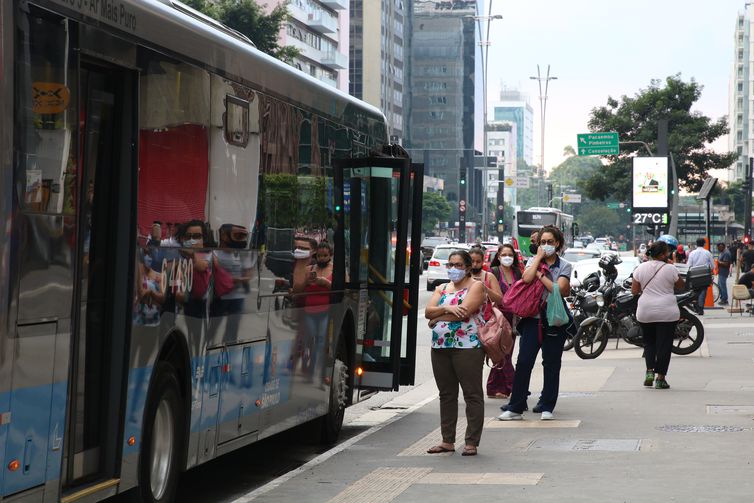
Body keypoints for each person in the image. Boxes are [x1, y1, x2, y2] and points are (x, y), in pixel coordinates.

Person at [498, 225, 571, 421]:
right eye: (543, 242)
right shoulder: (533, 261)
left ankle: (547, 405)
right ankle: (516, 406)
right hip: (532, 320)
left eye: (550, 242)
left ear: (558, 244)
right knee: (523, 362)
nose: (546, 245)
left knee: (552, 363)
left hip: (554, 320)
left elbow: (560, 289)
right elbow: (526, 278)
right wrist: (538, 260)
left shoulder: (564, 266)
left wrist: (541, 275)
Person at [425, 250, 486, 456]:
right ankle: (447, 440)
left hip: (467, 347)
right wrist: (450, 309)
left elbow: (466, 312)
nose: (453, 269)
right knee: (446, 394)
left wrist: (438, 317)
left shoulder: (476, 286)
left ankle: (471, 442)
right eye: (450, 264)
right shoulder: (442, 287)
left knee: (472, 394)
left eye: (459, 265)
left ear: (468, 267)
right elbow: (428, 311)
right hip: (440, 346)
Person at [631, 241, 685, 389]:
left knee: (649, 343)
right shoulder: (670, 269)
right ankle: (660, 379)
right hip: (667, 312)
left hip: (645, 311)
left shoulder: (640, 268)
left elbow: (634, 291)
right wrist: (669, 264)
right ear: (662, 254)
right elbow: (681, 285)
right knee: (664, 345)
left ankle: (649, 372)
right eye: (667, 252)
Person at [485, 243, 522, 399]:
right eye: (504, 254)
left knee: (507, 353)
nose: (507, 257)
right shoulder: (493, 272)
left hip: (513, 318)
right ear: (498, 257)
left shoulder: (518, 273)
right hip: (497, 317)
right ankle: (514, 385)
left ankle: (496, 388)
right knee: (501, 353)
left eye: (510, 254)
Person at [302, 241, 334, 379]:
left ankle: (312, 368)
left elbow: (342, 290)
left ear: (330, 256)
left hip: (325, 311)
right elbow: (299, 288)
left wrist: (326, 283)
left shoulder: (335, 270)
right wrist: (306, 282)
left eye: (325, 256)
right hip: (309, 310)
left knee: (319, 340)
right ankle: (306, 358)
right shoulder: (309, 269)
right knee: (311, 338)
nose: (322, 258)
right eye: (319, 256)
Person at [686, 237, 714, 315]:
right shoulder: (707, 253)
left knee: (695, 291)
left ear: (696, 244)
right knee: (703, 291)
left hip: (694, 275)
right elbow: (712, 266)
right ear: (704, 244)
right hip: (705, 275)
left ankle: (696, 306)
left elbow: (689, 265)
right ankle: (701, 308)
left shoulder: (692, 253)